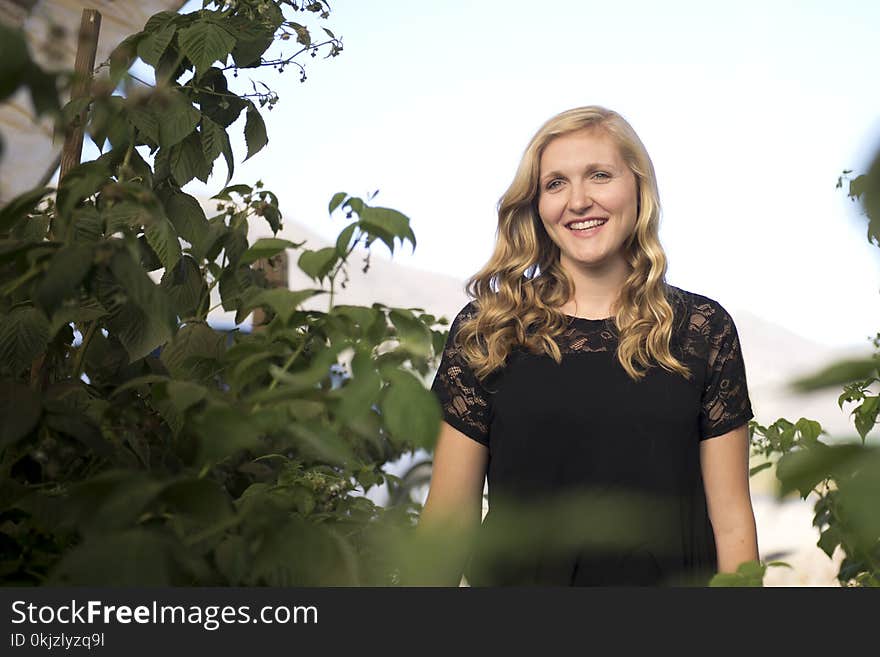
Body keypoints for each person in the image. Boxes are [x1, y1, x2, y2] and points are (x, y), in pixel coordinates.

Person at [416, 105, 759, 586]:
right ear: (537, 205)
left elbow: (732, 523)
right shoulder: (489, 330)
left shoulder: (702, 331)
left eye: (599, 175)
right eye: (555, 183)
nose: (578, 201)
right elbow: (449, 520)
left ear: (638, 188)